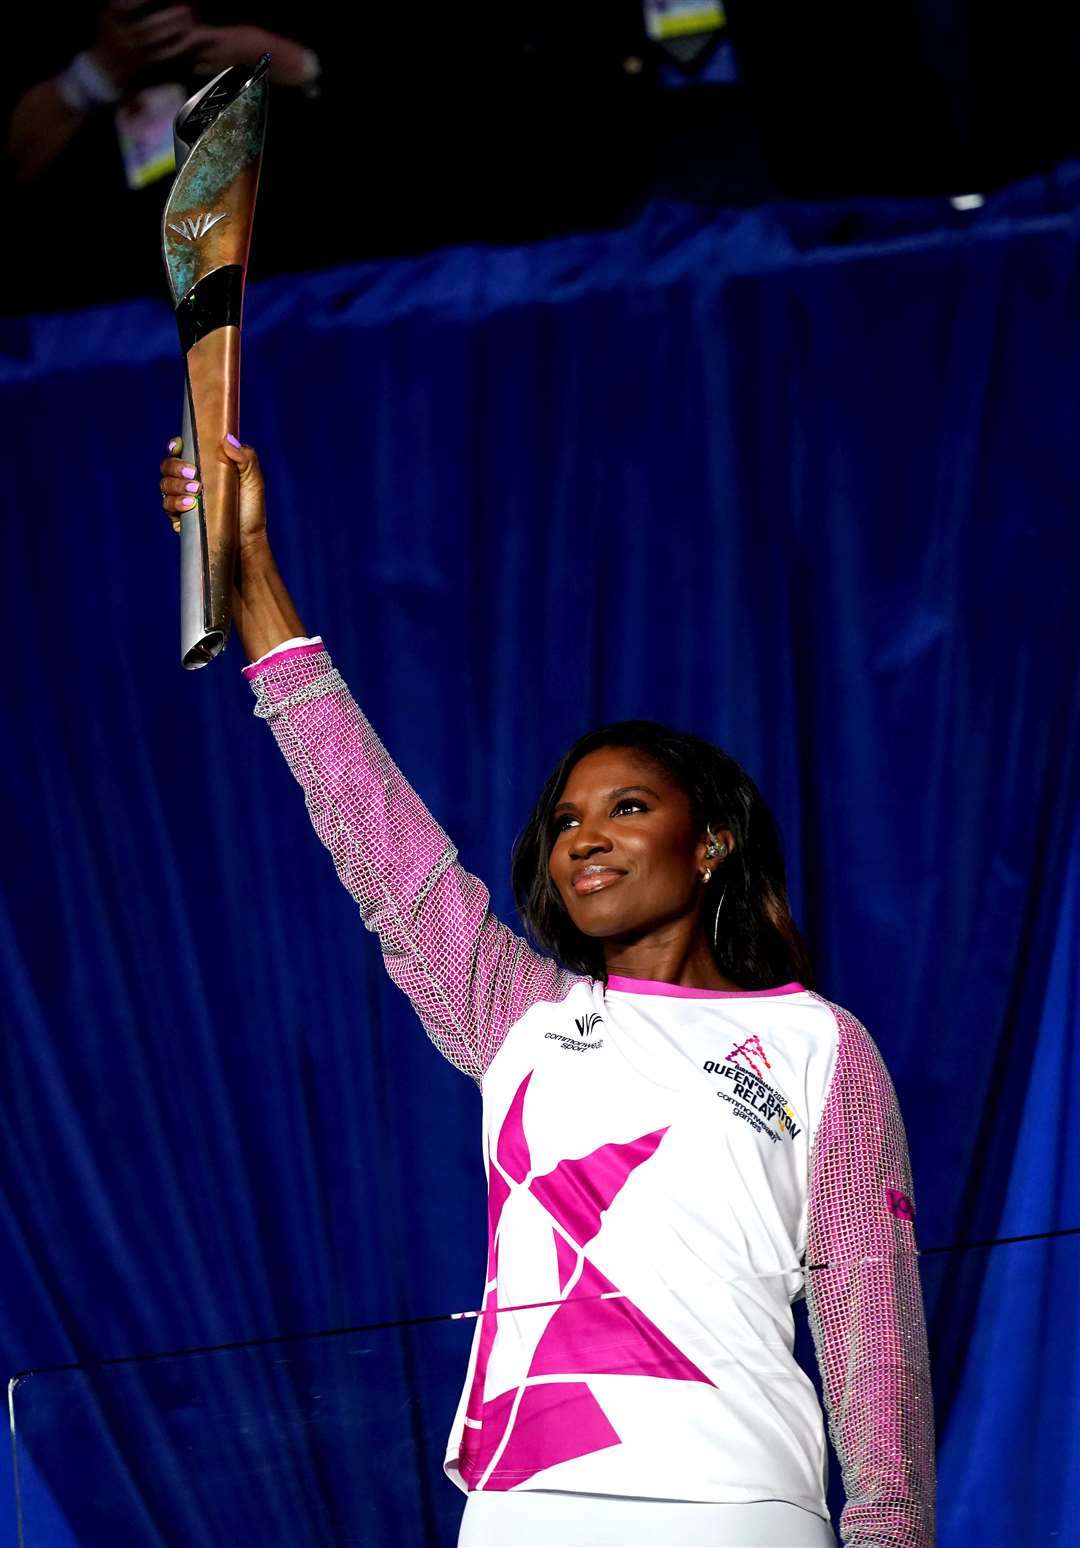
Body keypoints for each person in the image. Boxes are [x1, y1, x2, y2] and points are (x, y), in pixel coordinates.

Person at [157, 435, 936, 1547]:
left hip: (739, 1506)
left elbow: (872, 1316)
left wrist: (893, 1531)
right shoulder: (514, 1012)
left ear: (710, 841)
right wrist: (250, 565)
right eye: (567, 820)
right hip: (525, 1506)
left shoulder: (818, 1045)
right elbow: (375, 832)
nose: (586, 839)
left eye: (627, 808)